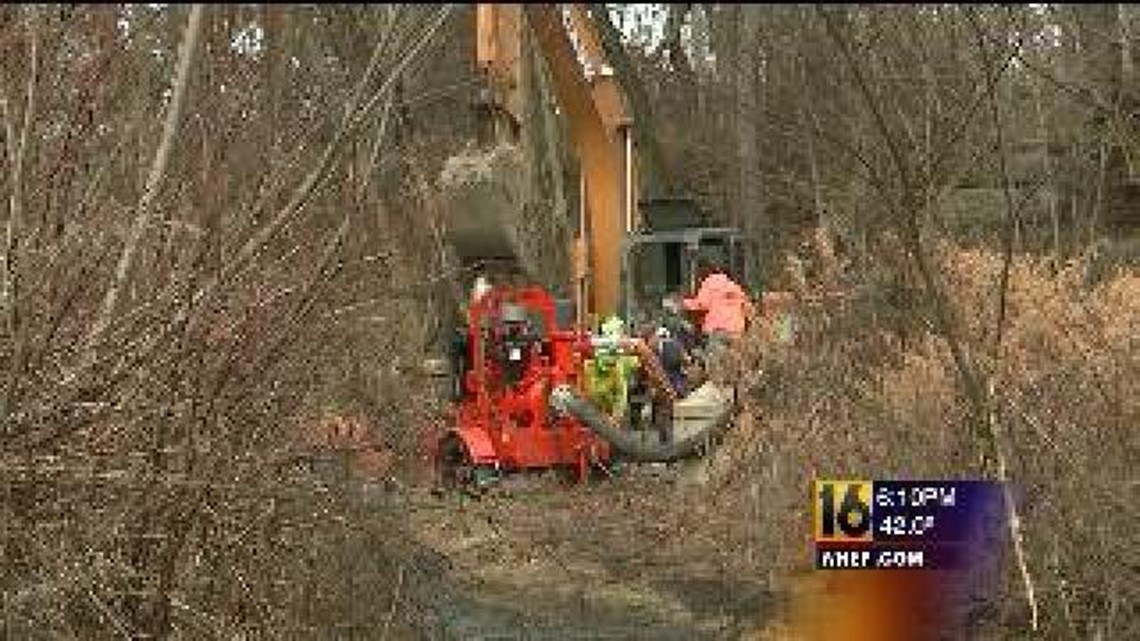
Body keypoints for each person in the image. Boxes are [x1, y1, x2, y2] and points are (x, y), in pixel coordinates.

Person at [682, 259, 755, 360]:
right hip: (736, 330)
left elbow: (702, 304)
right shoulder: (733, 285)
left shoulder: (710, 282)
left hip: (718, 329)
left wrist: (684, 303)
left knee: (716, 363)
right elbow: (748, 308)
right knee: (732, 362)